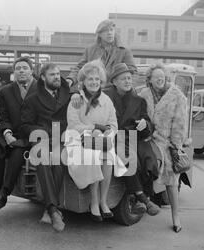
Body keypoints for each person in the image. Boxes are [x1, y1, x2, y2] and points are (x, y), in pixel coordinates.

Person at [65, 61, 127, 222]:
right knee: (93, 156)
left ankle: (103, 201)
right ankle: (93, 201)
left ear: (101, 82)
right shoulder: (77, 99)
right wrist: (92, 128)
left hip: (100, 139)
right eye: (90, 79)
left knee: (107, 155)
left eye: (97, 79)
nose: (94, 82)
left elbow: (113, 124)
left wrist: (106, 133)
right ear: (83, 82)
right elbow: (73, 124)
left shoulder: (106, 100)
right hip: (78, 139)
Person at [0, 57, 37, 216]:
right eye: (18, 68)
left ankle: (4, 194)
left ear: (31, 70)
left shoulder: (41, 89)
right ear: (14, 72)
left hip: (32, 135)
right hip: (12, 133)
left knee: (18, 151)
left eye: (25, 68)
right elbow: (3, 117)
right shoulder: (6, 90)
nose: (21, 71)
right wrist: (6, 134)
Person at [105, 63, 160, 218]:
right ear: (114, 81)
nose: (128, 81)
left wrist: (145, 124)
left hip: (134, 138)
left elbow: (148, 125)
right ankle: (141, 198)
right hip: (113, 137)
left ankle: (143, 199)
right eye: (123, 78)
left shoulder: (139, 101)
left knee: (147, 158)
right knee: (127, 156)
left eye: (129, 78)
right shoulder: (105, 97)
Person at [20, 63, 70, 232]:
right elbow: (24, 125)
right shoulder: (33, 99)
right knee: (43, 158)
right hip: (41, 138)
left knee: (59, 161)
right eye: (52, 75)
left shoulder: (68, 95)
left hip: (60, 138)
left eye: (58, 74)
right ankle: (54, 210)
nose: (56, 77)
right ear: (42, 77)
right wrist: (41, 131)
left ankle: (50, 209)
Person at [139, 63, 187, 233]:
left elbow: (179, 124)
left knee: (171, 179)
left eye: (162, 76)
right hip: (147, 138)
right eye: (156, 76)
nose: (160, 79)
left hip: (167, 142)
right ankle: (144, 202)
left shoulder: (177, 96)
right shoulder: (144, 94)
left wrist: (175, 146)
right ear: (149, 80)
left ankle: (176, 216)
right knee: (139, 164)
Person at [66, 19, 136, 88]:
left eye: (111, 30)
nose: (109, 33)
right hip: (93, 88)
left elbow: (132, 71)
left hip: (115, 90)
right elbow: (80, 68)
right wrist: (71, 79)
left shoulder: (124, 51)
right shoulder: (90, 50)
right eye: (106, 31)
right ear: (99, 34)